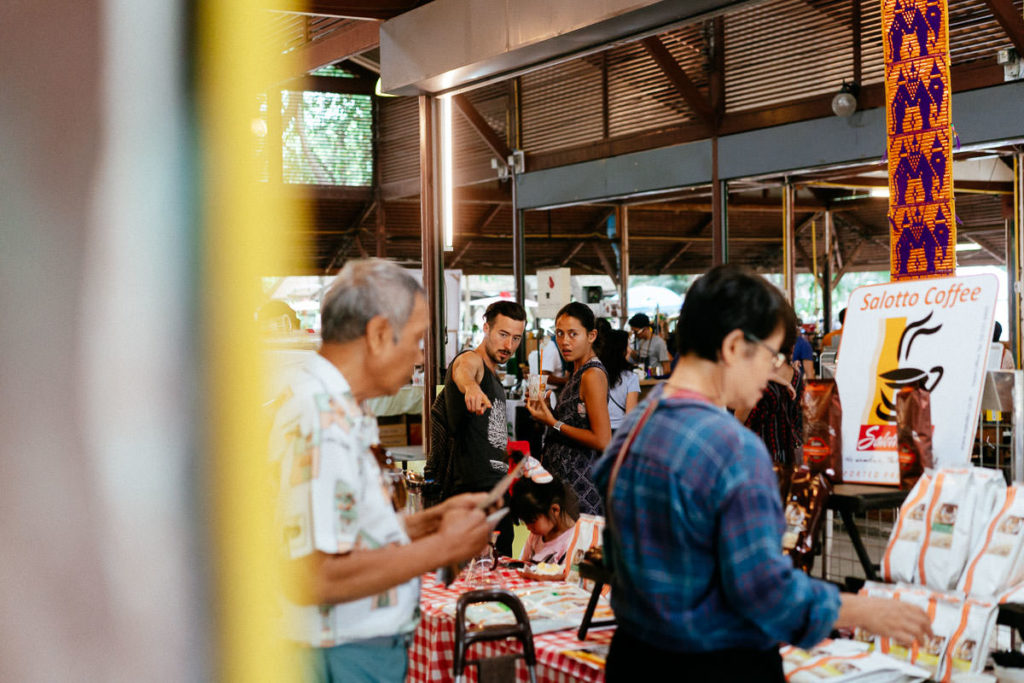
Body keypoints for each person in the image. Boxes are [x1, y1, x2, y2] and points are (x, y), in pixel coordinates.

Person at [592, 265, 931, 681]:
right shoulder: (732, 448)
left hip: (634, 658)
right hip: (716, 663)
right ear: (734, 346)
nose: (776, 372)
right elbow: (764, 592)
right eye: (772, 356)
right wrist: (862, 608)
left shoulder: (636, 424)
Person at [270, 259, 493, 683]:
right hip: (337, 653)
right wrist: (442, 548)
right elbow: (315, 575)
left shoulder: (341, 408)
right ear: (377, 334)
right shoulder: (322, 419)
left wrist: (428, 524)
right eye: (416, 340)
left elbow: (342, 533)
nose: (421, 355)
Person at [430, 300, 527, 556]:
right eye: (503, 335)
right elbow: (463, 370)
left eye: (516, 338)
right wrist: (471, 387)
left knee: (500, 571)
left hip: (496, 493)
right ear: (486, 328)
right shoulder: (471, 360)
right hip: (471, 496)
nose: (509, 346)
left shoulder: (495, 379)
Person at [526, 302, 612, 515]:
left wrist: (553, 422)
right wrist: (545, 410)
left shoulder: (592, 375)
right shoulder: (578, 372)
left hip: (581, 484)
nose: (565, 341)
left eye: (573, 334)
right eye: (560, 333)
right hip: (565, 481)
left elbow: (603, 440)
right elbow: (573, 422)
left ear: (591, 336)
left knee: (579, 546)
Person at [735, 333, 804, 466]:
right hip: (790, 453)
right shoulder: (796, 375)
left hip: (760, 456)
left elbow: (739, 420)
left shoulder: (755, 380)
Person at [510, 475, 580, 566]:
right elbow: (523, 565)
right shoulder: (535, 536)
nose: (528, 527)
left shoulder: (574, 542)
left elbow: (568, 578)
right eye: (525, 522)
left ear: (554, 510)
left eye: (531, 521)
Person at [598, 329, 640, 432]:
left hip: (599, 431)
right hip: (620, 431)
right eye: (627, 346)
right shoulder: (631, 378)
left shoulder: (596, 374)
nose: (629, 350)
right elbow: (630, 416)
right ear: (621, 350)